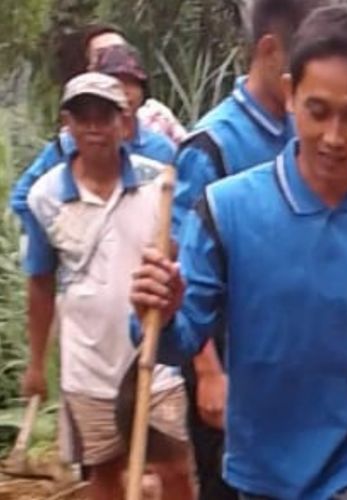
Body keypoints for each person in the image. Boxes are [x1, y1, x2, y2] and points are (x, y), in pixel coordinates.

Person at [130, 5, 347, 499]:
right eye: (318, 111)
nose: (333, 137)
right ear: (292, 93)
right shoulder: (229, 208)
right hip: (260, 464)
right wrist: (159, 312)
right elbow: (179, 339)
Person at [171, 1, 328, 498]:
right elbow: (185, 279)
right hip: (233, 374)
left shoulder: (305, 135)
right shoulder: (212, 148)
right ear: (270, 50)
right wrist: (208, 372)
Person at [19, 72, 193, 500]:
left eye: (105, 117)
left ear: (125, 124)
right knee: (105, 472)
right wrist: (38, 363)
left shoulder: (160, 184)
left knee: (174, 469)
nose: (94, 129)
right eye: (83, 119)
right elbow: (40, 283)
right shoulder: (45, 197)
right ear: (67, 124)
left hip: (156, 359)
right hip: (88, 364)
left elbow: (183, 260)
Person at [10, 44, 176, 235]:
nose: (125, 91)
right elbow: (23, 198)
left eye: (132, 83)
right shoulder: (65, 146)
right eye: (116, 81)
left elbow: (181, 205)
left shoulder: (161, 149)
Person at [82, 23, 187, 144]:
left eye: (119, 49)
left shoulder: (158, 117)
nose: (114, 56)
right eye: (101, 53)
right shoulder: (78, 132)